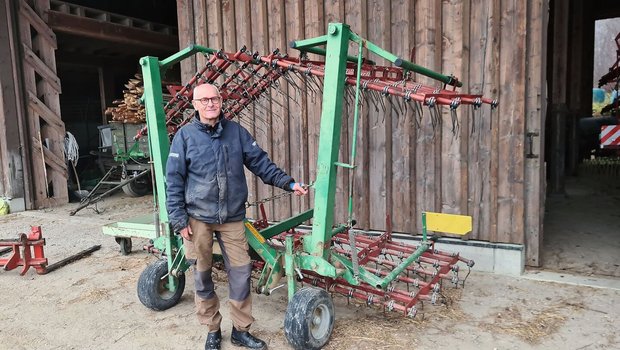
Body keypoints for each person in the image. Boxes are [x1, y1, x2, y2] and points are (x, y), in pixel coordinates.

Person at [166, 83, 307, 350]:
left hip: (231, 216)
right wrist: (178, 219)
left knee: (241, 273)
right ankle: (212, 329)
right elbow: (173, 180)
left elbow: (261, 163)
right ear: (194, 104)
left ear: (221, 101)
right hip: (197, 218)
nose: (211, 103)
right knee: (202, 274)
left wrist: (288, 183)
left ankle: (241, 330)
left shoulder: (236, 133)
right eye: (204, 100)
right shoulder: (184, 137)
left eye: (215, 98)